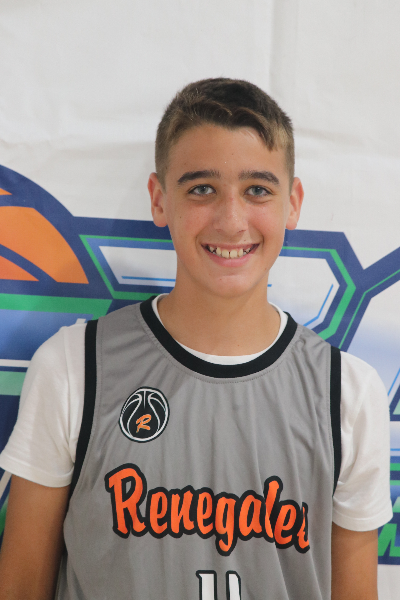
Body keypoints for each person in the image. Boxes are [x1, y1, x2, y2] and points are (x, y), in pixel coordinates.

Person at [0, 78, 392, 600]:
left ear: (293, 203)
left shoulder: (347, 394)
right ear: (160, 200)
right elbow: (21, 586)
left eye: (257, 190)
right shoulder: (75, 367)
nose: (231, 221)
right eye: (202, 189)